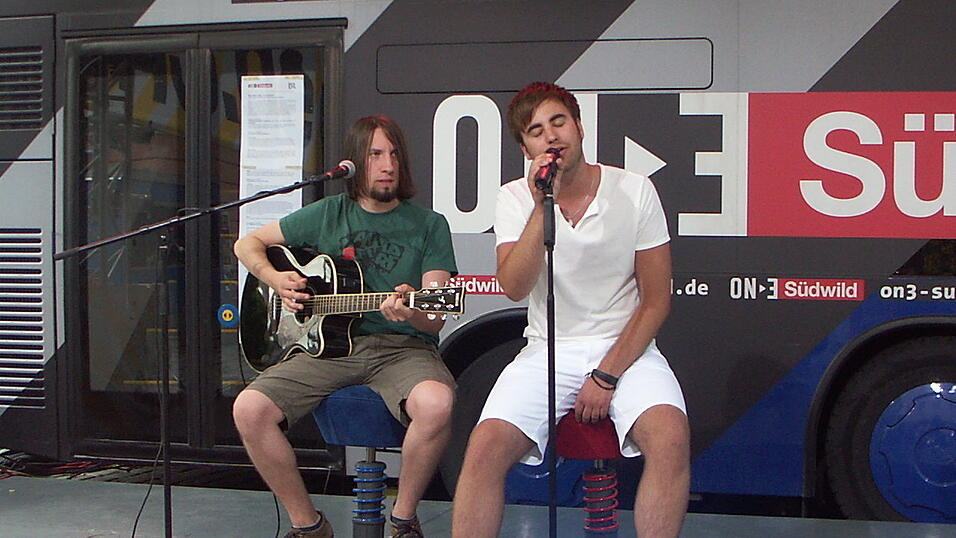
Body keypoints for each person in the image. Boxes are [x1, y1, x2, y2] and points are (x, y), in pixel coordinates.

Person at [451, 82, 690, 538]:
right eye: (537, 131)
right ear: (526, 148)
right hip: (547, 349)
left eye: (559, 122)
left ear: (579, 127)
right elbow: (513, 287)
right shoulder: (515, 199)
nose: (551, 137)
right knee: (483, 449)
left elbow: (657, 300)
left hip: (627, 348)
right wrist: (544, 204)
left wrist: (606, 376)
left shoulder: (634, 189)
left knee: (671, 438)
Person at [233, 115, 457, 538]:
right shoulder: (328, 213)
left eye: (393, 154)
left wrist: (412, 311)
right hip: (327, 350)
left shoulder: (430, 225)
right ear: (355, 161)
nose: (387, 164)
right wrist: (278, 279)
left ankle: (403, 519)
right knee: (249, 409)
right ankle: (308, 524)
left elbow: (435, 314)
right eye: (375, 154)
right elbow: (247, 244)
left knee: (437, 404)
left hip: (403, 349)